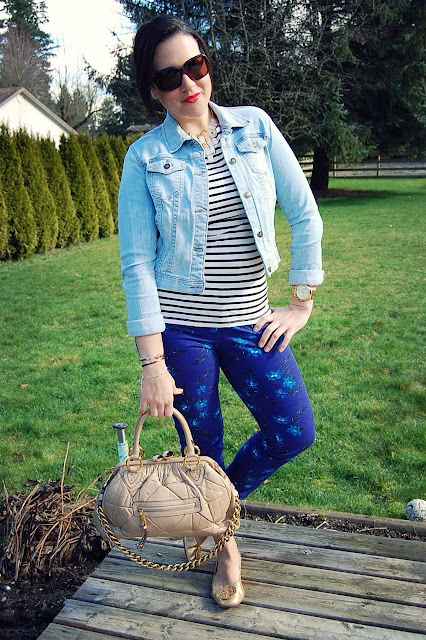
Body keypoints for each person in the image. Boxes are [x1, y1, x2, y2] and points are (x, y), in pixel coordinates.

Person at [118, 15, 325, 608]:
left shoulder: (255, 129)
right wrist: (152, 363)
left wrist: (300, 302)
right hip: (183, 334)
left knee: (294, 430)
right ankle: (224, 539)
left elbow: (305, 214)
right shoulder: (145, 157)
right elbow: (137, 264)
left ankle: (215, 512)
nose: (188, 84)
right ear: (152, 88)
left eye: (196, 66)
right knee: (201, 445)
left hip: (251, 322)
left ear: (207, 66)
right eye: (169, 76)